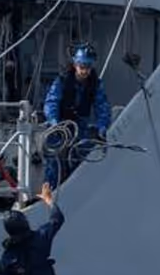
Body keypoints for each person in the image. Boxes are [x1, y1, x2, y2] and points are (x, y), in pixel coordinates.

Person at [42, 42, 111, 188]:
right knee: (54, 161)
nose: (84, 71)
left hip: (80, 126)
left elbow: (102, 106)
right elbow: (51, 102)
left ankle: (76, 190)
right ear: (75, 65)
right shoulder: (62, 81)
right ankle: (49, 194)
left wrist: (102, 126)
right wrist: (54, 123)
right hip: (60, 126)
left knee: (80, 157)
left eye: (88, 67)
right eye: (82, 67)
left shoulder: (95, 84)